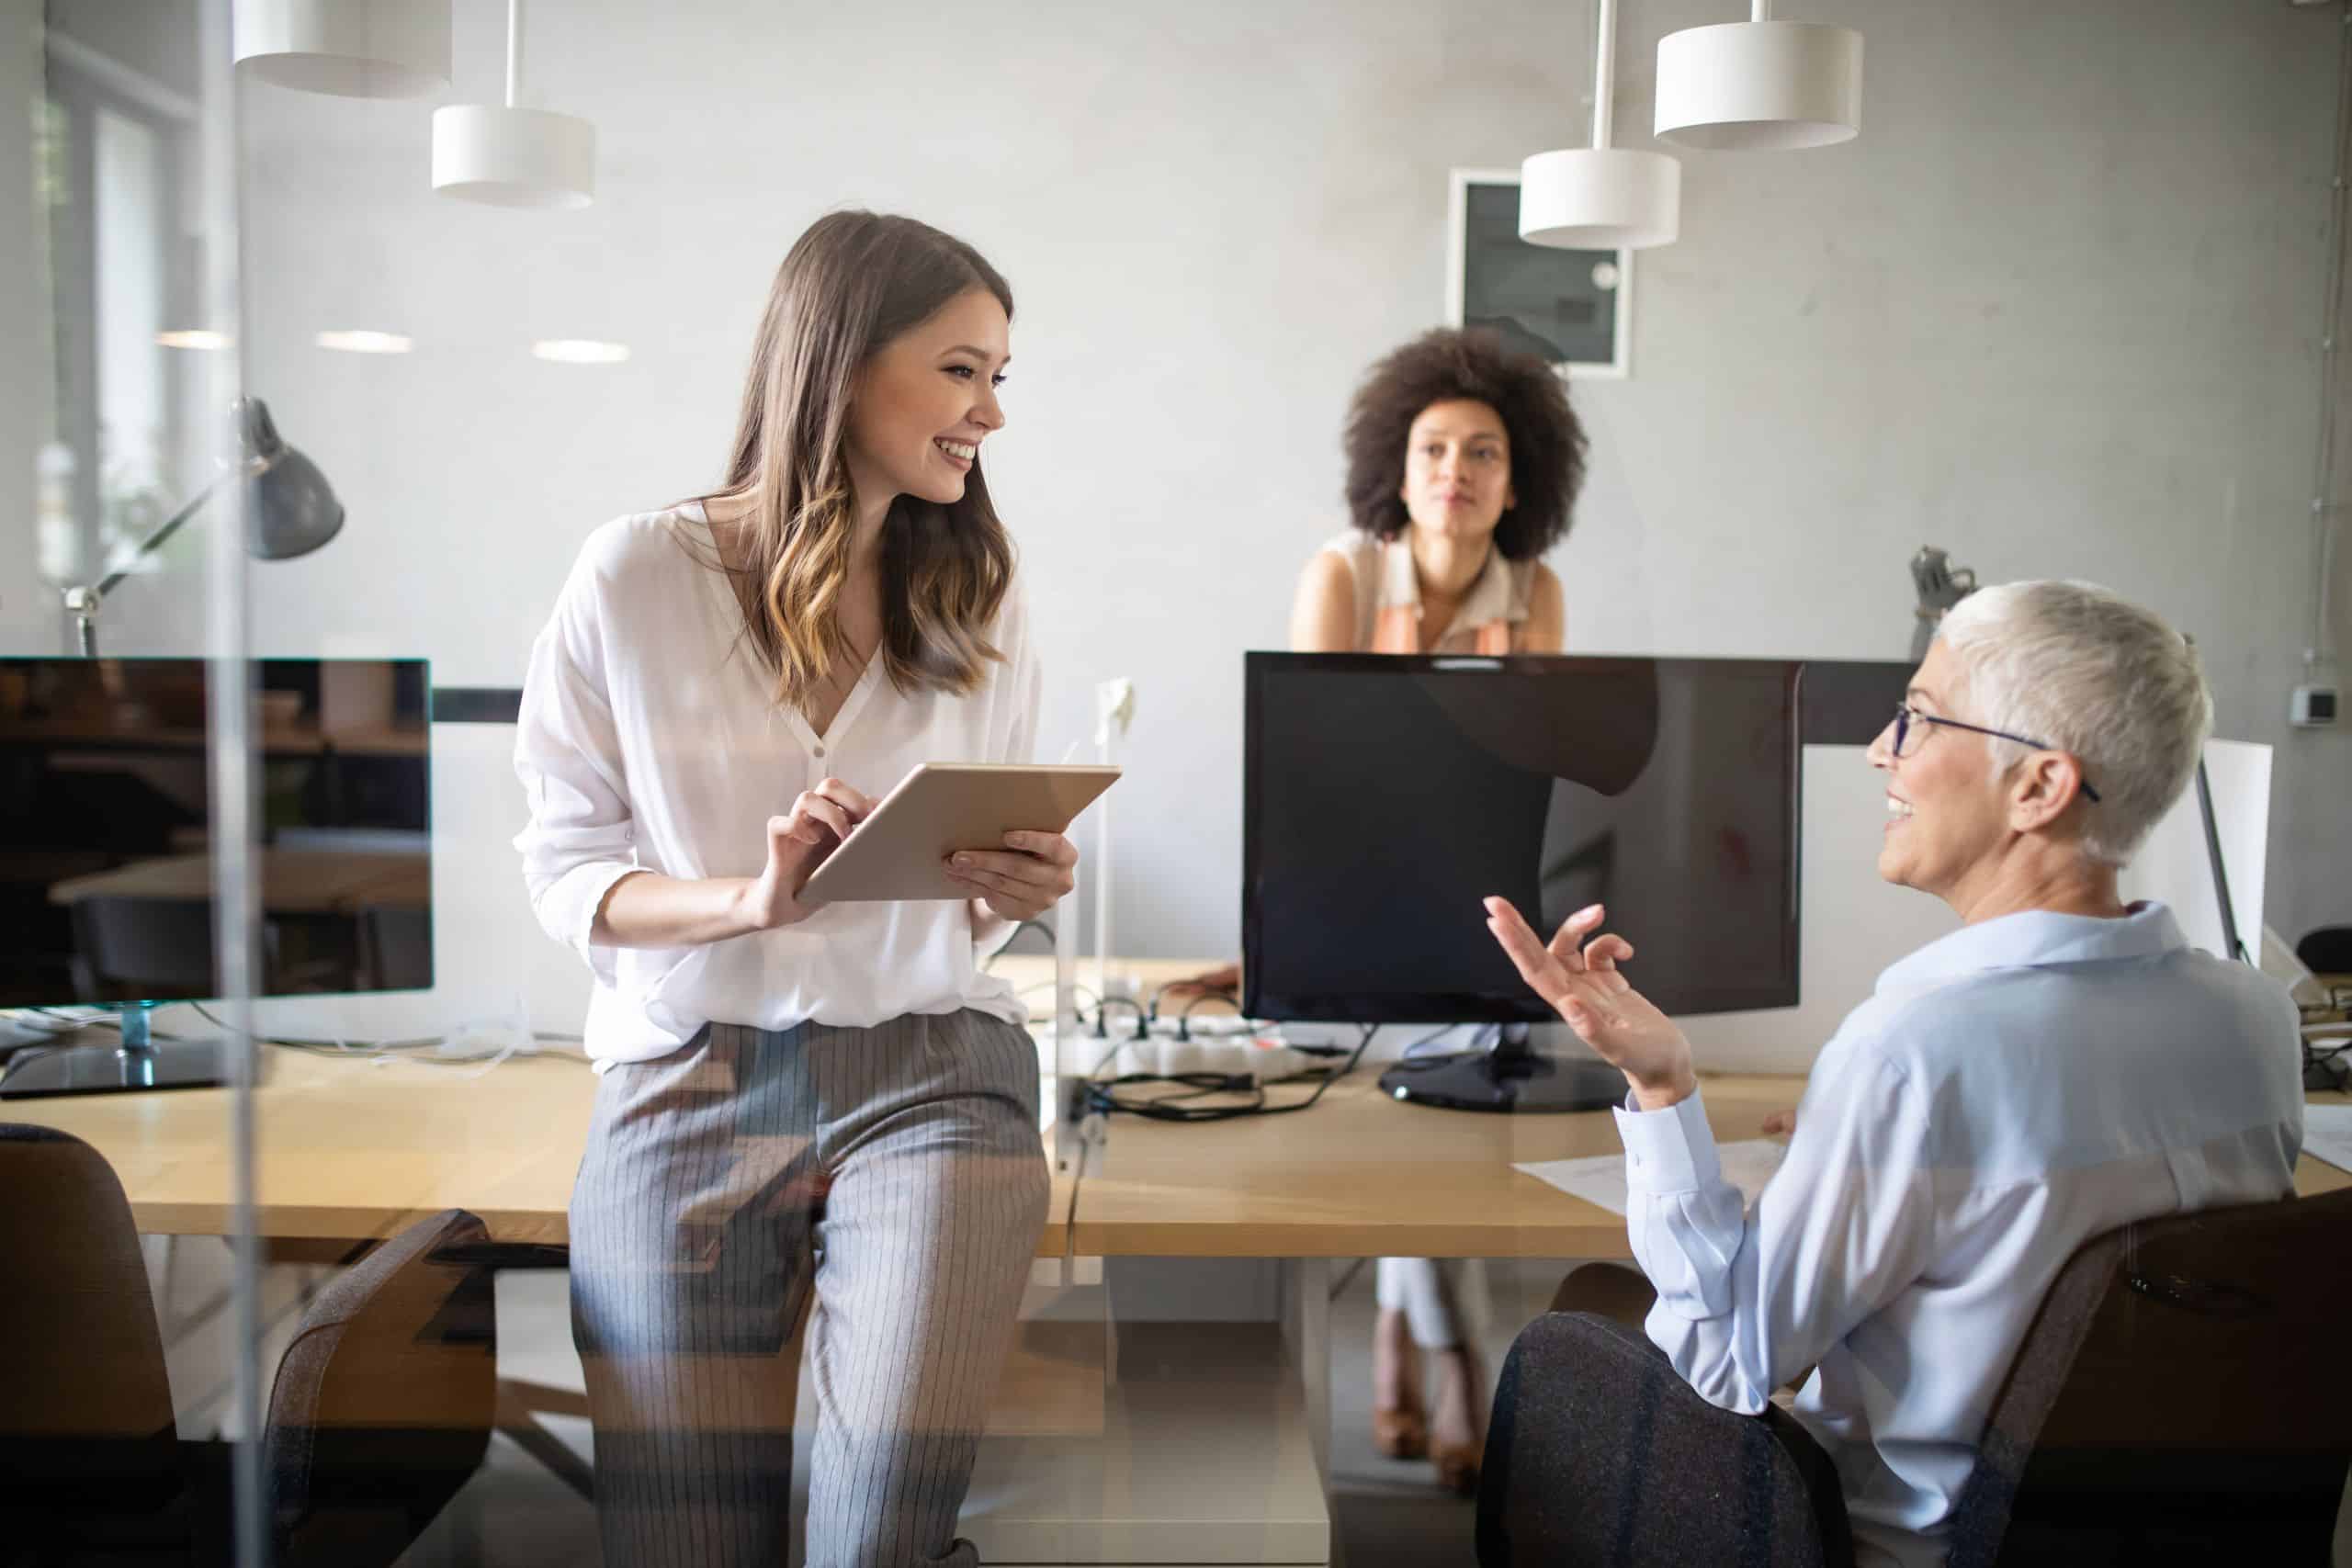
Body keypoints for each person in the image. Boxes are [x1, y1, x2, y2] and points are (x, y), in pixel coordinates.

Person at [1476, 580, 2304, 1567]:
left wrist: (1663, 1090)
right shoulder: (2255, 1019)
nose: (1881, 750)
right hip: (2162, 1544)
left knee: (1588, 1324)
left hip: (1896, 1547)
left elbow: (1731, 1361)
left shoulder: (1914, 1053)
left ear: (2038, 787)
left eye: (1915, 717)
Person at [514, 211, 1076, 1568]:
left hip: (936, 1066)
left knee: (878, 1529)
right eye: (961, 370)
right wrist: (742, 902)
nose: (991, 411)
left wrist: (1027, 875)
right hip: (686, 1071)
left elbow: (992, 873)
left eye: (1002, 375)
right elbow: (563, 866)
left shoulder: (980, 593)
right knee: (681, 1539)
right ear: (839, 364)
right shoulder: (635, 574)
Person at [1289, 326, 1586, 1494]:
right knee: (1426, 1124)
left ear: (1518, 482)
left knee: (1445, 1118)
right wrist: (1414, 684)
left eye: (1481, 453)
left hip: (1481, 893)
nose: (1454, 472)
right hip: (1352, 894)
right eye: (1432, 451)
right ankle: (1462, 1364)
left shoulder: (1538, 590)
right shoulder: (1345, 578)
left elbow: (1534, 776)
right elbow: (1314, 773)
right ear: (1397, 470)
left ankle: (1397, 1344)